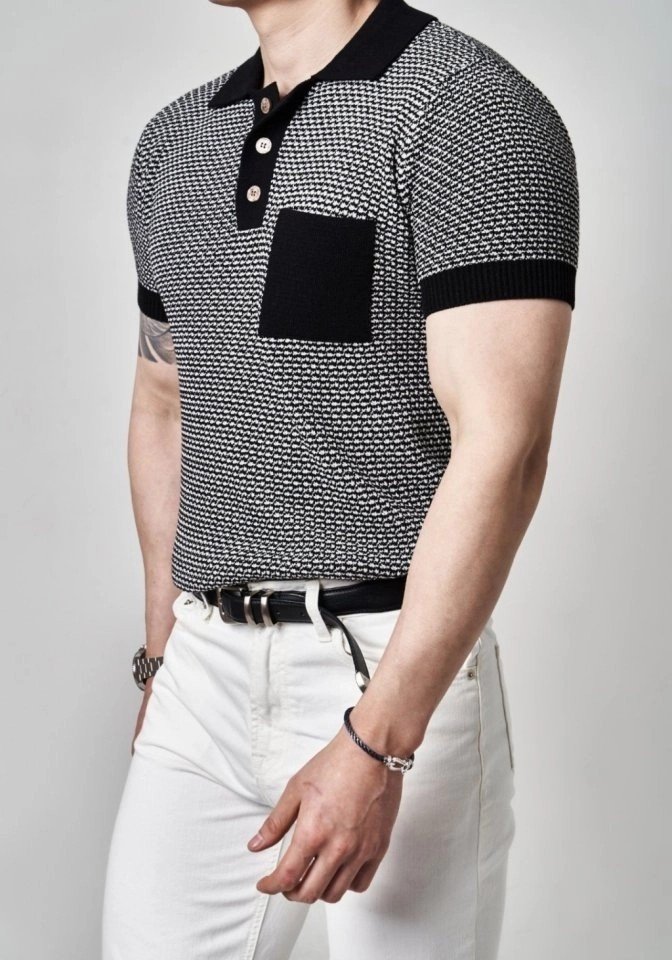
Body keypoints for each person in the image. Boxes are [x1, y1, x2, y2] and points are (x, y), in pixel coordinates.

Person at [101, 0, 579, 957]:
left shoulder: (473, 108)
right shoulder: (174, 142)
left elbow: (505, 447)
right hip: (203, 666)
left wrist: (378, 740)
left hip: (389, 662)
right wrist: (164, 655)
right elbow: (164, 400)